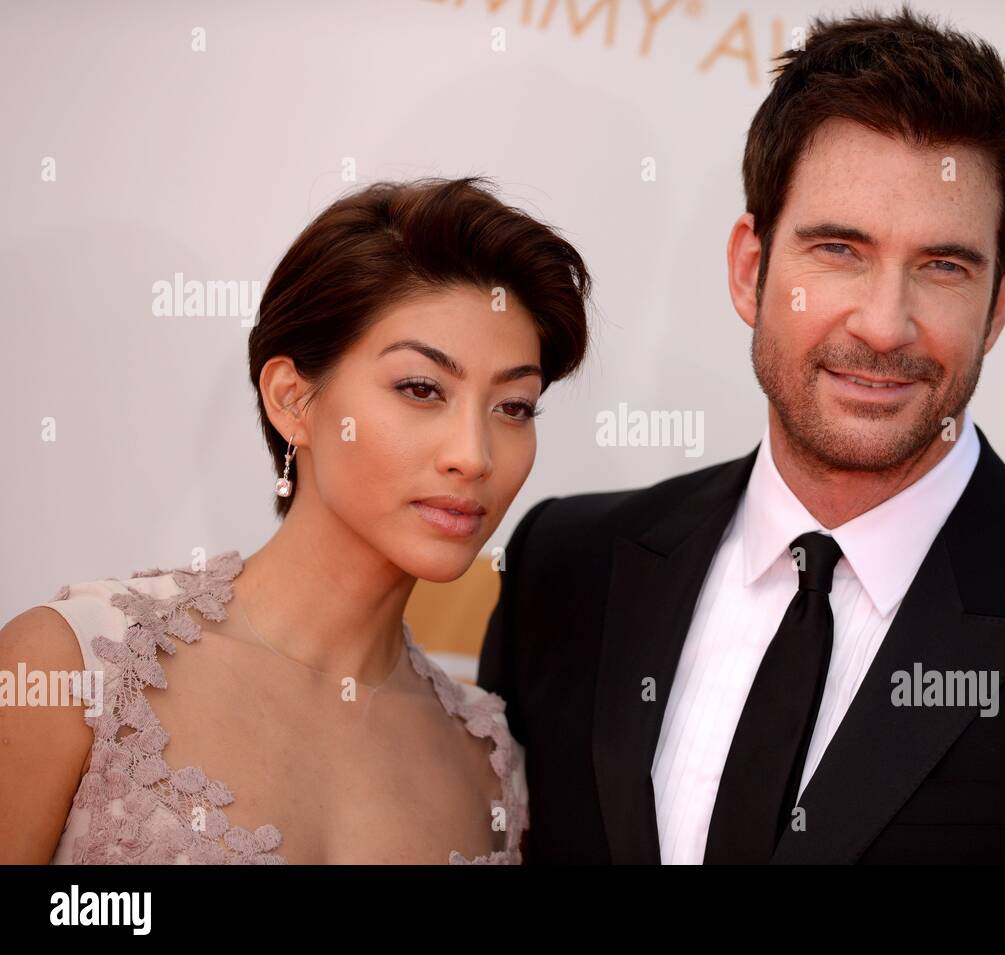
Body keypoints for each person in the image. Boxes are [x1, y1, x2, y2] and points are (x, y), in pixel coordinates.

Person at [477, 7, 1005, 864]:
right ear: (750, 268)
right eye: (839, 250)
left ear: (999, 303)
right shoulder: (564, 568)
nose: (885, 326)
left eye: (942, 266)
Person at [0, 176, 591, 864]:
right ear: (292, 399)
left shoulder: (490, 766)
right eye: (421, 388)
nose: (474, 455)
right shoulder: (70, 669)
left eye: (513, 406)